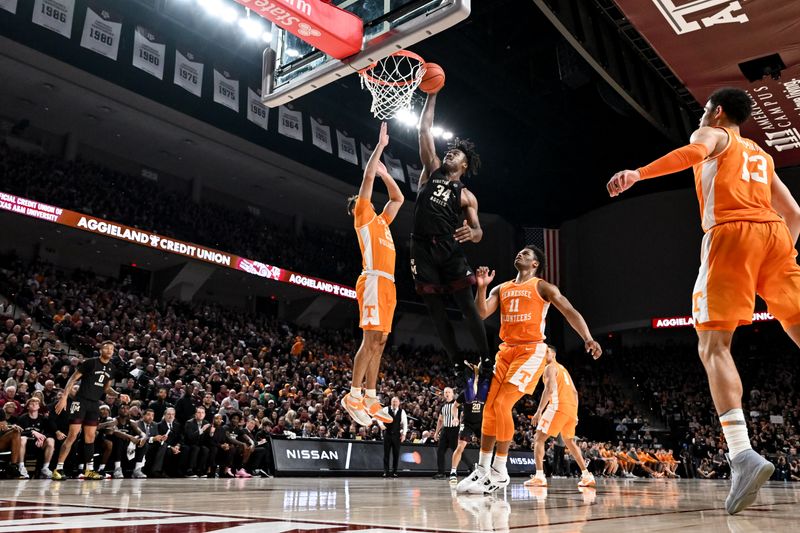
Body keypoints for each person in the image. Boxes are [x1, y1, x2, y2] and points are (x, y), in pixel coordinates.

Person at [606, 87, 800, 514]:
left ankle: (741, 454)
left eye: (706, 109)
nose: (702, 114)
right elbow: (794, 212)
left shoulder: (714, 134)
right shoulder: (761, 155)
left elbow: (690, 154)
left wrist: (638, 173)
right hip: (776, 236)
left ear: (719, 111)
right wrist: (782, 253)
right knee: (795, 324)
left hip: (731, 235)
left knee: (713, 343)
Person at [458, 247, 601, 494]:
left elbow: (568, 310)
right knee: (489, 408)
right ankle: (482, 469)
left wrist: (588, 338)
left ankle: (499, 470)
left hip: (530, 351)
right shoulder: (500, 288)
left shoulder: (542, 286)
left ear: (535, 264)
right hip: (505, 351)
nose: (520, 255)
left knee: (502, 404)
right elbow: (480, 313)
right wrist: (481, 287)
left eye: (526, 254)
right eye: (519, 252)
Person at [412, 90, 493, 384]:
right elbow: (424, 129)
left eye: (456, 154)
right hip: (420, 247)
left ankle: (486, 359)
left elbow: (479, 230)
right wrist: (431, 96)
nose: (449, 153)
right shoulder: (431, 170)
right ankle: (457, 363)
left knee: (467, 306)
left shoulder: (467, 195)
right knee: (435, 311)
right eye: (449, 151)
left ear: (464, 165)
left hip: (449, 249)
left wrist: (472, 233)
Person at [341, 122, 404, 426]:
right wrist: (379, 149)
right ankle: (353, 395)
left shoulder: (382, 222)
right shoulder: (364, 218)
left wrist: (386, 174)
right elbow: (366, 177)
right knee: (369, 341)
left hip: (388, 284)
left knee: (379, 342)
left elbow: (398, 199)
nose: (363, 199)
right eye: (359, 200)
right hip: (373, 280)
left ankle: (371, 397)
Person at [52, 341, 130, 480]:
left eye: (112, 348)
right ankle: (58, 469)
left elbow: (106, 388)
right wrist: (64, 397)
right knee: (72, 435)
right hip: (81, 401)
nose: (109, 350)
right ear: (101, 349)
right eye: (106, 347)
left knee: (90, 438)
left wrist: (118, 395)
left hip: (94, 404)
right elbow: (72, 379)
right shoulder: (90, 363)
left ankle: (89, 470)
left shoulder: (112, 368)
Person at [527, 346, 595, 489]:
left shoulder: (550, 367)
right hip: (570, 410)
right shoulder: (563, 369)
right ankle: (587, 475)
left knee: (538, 438)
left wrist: (539, 411)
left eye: (546, 352)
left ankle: (539, 477)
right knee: (569, 442)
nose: (543, 355)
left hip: (558, 407)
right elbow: (575, 393)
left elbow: (549, 389)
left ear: (553, 353)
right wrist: (575, 414)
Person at [450, 377, 489, 484]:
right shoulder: (466, 393)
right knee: (460, 446)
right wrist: (455, 418)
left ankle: (484, 470)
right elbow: (454, 406)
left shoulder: (485, 393)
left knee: (487, 446)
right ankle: (453, 472)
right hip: (467, 423)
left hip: (480, 423)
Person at [18, 397, 55, 478]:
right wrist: (32, 432)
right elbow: (19, 433)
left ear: (39, 407)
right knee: (22, 438)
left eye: (37, 403)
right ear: (28, 407)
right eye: (32, 403)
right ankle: (21, 467)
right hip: (25, 445)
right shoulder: (22, 418)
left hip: (39, 444)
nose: (34, 404)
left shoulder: (43, 418)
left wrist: (42, 438)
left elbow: (50, 432)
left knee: (51, 440)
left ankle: (45, 468)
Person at [433, 387, 460, 480]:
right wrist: (436, 432)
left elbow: (462, 417)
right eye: (445, 392)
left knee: (457, 451)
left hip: (454, 430)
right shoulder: (443, 405)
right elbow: (440, 420)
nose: (447, 393)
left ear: (452, 394)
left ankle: (471, 466)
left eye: (449, 392)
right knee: (440, 451)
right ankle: (441, 473)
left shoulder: (457, 404)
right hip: (445, 430)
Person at [378, 396, 407, 477]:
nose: (394, 403)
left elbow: (405, 423)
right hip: (387, 434)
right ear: (391, 402)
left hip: (396, 436)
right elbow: (378, 416)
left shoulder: (402, 411)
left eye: (396, 401)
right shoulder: (386, 409)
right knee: (386, 454)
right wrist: (381, 424)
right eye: (393, 401)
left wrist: (404, 434)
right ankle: (386, 471)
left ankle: (394, 472)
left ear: (399, 403)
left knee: (396, 454)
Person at [0, 400, 26, 478]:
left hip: (1, 441)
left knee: (16, 432)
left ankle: (13, 466)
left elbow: (4, 428)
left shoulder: (0, 411)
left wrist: (12, 427)